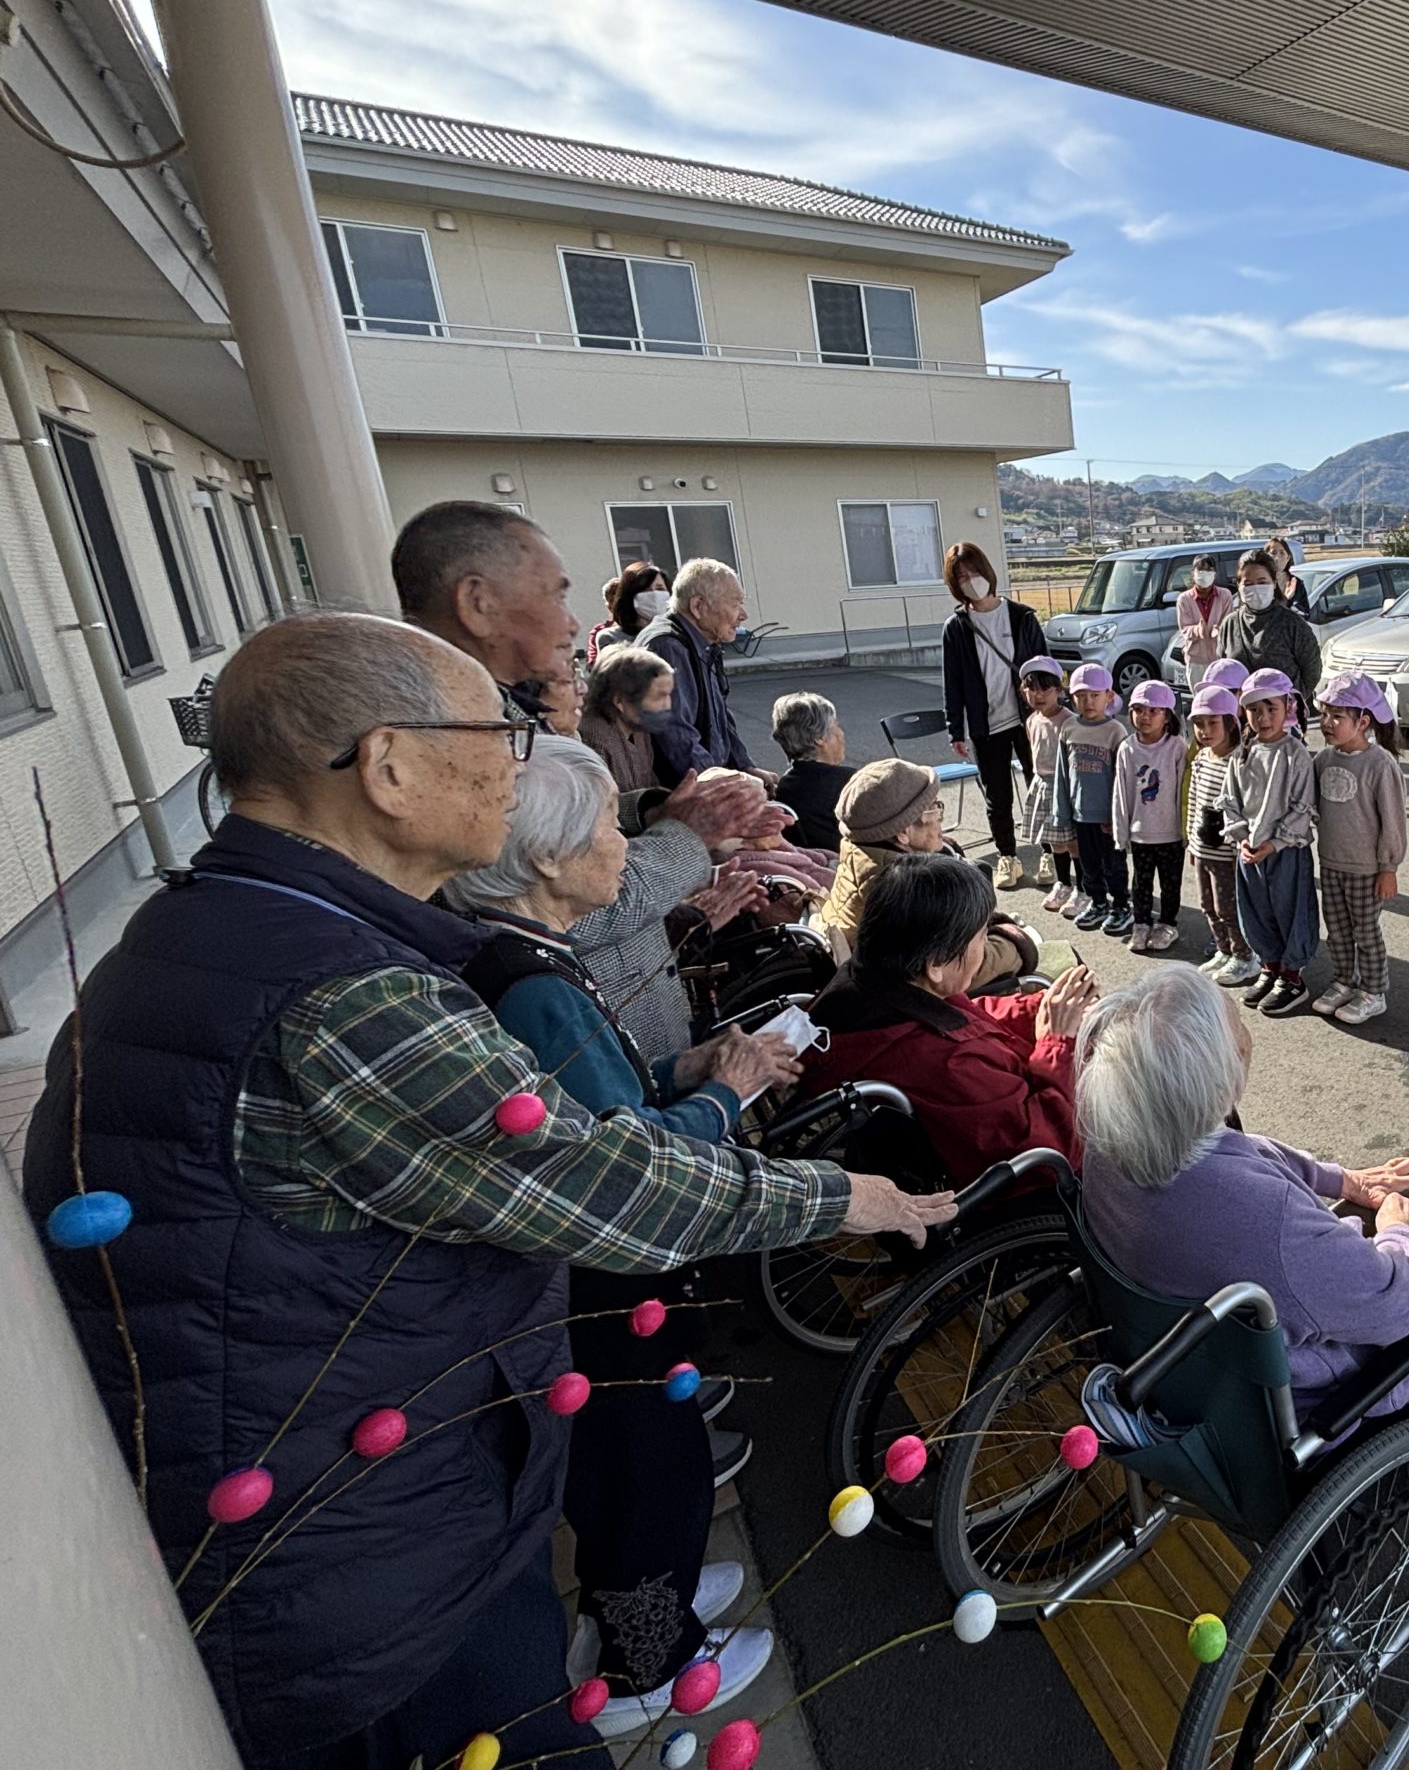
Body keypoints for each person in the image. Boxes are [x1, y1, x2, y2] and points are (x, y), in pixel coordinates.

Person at [18, 614, 955, 1770]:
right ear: (391, 765)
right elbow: (596, 1181)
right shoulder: (340, 994)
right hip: (362, 1562)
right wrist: (841, 1197)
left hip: (333, 1516)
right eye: (494, 733)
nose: (517, 768)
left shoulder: (234, 932)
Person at [447, 737, 800, 1729]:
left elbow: (601, 1110)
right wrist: (724, 1097)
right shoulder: (538, 987)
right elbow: (624, 1169)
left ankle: (653, 1610)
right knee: (639, 1467)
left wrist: (686, 1073)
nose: (628, 844)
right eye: (609, 826)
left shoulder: (527, 961)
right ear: (548, 862)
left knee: (645, 1458)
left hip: (585, 1290)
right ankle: (647, 1667)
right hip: (604, 1293)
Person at [1075, 966, 1409, 1423]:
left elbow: (1243, 1153)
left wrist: (1346, 1181)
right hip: (1337, 1387)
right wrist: (1400, 1234)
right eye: (1232, 1024)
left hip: (1203, 1352)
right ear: (1210, 1080)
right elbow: (1394, 1305)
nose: (1243, 1032)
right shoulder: (1266, 1218)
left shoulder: (1115, 1148)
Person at [394, 503, 782, 1060]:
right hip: (596, 1029)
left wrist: (649, 810)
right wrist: (686, 835)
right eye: (555, 594)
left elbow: (556, 822)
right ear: (478, 602)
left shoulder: (495, 709)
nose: (573, 622)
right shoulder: (454, 735)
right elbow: (556, 886)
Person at [804, 853, 1102, 1184]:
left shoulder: (878, 986)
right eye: (980, 938)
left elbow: (971, 1020)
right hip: (1032, 1182)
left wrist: (1042, 1009)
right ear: (937, 964)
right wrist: (1057, 1043)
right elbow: (1048, 1147)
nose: (985, 945)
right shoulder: (945, 1065)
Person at [811, 758, 1036, 986]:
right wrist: (1018, 942)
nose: (940, 816)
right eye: (932, 809)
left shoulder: (859, 851)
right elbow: (958, 971)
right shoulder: (908, 888)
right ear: (902, 833)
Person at [939, 541, 1046, 888]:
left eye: (974, 572)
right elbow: (952, 682)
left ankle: (1049, 850)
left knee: (1039, 787)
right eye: (962, 576)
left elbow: (1044, 667)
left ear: (987, 571)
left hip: (1029, 719)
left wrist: (1051, 713)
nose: (971, 580)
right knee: (996, 796)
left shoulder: (1021, 616)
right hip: (987, 724)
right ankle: (1008, 857)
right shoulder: (956, 628)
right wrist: (955, 728)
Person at [1309, 672, 1407, 1025]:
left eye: (1338, 716)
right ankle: (1344, 981)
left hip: (1367, 870)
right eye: (1325, 714)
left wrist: (1388, 867)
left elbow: (1393, 820)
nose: (1327, 724)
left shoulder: (1381, 765)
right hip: (1331, 865)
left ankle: (1373, 991)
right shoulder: (1323, 760)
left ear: (1363, 721)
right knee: (1337, 930)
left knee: (1366, 932)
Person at [1225, 667, 1320, 1015]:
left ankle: (1293, 977)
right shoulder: (1242, 754)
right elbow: (1229, 800)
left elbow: (1302, 806)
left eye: (1271, 708)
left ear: (1288, 708)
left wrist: (1274, 843)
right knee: (1256, 911)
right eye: (1254, 710)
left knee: (1290, 911)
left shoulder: (1295, 753)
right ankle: (1270, 966)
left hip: (1286, 852)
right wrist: (1240, 838)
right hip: (1250, 852)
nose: (1263, 717)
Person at [635, 557, 769, 785]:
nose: (743, 615)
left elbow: (720, 718)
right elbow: (676, 735)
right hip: (682, 792)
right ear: (698, 606)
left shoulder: (701, 642)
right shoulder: (669, 647)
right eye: (735, 604)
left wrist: (745, 766)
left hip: (703, 780)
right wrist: (725, 785)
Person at [1114, 678, 1189, 952]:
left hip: (1170, 833)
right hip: (1140, 832)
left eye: (1153, 711)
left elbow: (1184, 792)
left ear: (1167, 716)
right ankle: (1141, 923)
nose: (1144, 716)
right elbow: (1121, 791)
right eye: (1138, 709)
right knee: (1141, 883)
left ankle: (1168, 924)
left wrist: (1185, 830)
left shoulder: (1177, 747)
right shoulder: (1127, 748)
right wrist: (1121, 831)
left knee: (1170, 884)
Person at [1187, 685, 1254, 984]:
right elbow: (1193, 801)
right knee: (1208, 905)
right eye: (1199, 724)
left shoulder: (1240, 761)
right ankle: (1224, 950)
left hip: (1227, 853)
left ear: (1230, 722)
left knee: (1228, 907)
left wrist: (1238, 846)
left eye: (1212, 723)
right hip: (1203, 849)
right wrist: (1191, 840)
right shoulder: (1201, 759)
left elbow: (1246, 809)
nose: (1204, 730)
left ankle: (1244, 956)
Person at [1062, 663, 1134, 936]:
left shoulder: (1115, 731)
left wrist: (1117, 815)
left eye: (1094, 695)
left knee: (1113, 864)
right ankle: (1098, 902)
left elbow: (1122, 778)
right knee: (1088, 863)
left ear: (1109, 696)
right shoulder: (1069, 728)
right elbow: (1063, 773)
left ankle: (1121, 907)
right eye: (1081, 696)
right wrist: (1063, 809)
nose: (1088, 702)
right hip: (1082, 813)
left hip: (1107, 815)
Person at [1216, 548, 1322, 711]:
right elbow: (1223, 670)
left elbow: (1312, 671)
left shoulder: (1292, 624)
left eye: (1262, 582)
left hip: (1284, 720)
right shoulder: (1229, 625)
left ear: (1273, 583)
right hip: (1242, 717)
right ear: (1239, 586)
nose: (1256, 588)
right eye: (1248, 584)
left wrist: (1290, 704)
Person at [1019, 656, 1080, 910]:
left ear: (1059, 690)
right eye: (1031, 688)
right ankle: (1063, 883)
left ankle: (1083, 887)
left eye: (1045, 688)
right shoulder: (1032, 720)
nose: (1038, 695)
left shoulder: (1068, 721)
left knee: (1072, 841)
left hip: (1064, 786)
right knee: (1054, 840)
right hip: (1042, 783)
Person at [578, 646, 677, 800]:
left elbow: (649, 784)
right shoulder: (595, 740)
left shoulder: (638, 726)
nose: (667, 705)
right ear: (620, 701)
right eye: (659, 697)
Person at [770, 691, 857, 850]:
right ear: (819, 738)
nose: (841, 733)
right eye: (836, 725)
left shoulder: (785, 785)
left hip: (808, 864)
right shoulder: (849, 782)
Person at [1173, 552, 1234, 689]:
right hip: (1196, 660)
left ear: (1215, 574)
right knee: (1200, 701)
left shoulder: (1224, 595)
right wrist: (1197, 630)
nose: (1204, 574)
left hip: (1219, 658)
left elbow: (1228, 622)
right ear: (1193, 573)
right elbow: (1184, 628)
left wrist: (1219, 630)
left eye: (1208, 570)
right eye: (1200, 570)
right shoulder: (1184, 599)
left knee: (1222, 699)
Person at [590, 560, 669, 664]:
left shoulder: (674, 632)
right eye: (646, 590)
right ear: (630, 595)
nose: (654, 594)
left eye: (660, 588)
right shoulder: (610, 637)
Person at [1264, 534, 1314, 618]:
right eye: (1273, 553)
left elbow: (1305, 614)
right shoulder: (1260, 582)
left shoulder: (1296, 583)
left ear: (1288, 558)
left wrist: (1288, 602)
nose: (1277, 558)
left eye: (1282, 553)